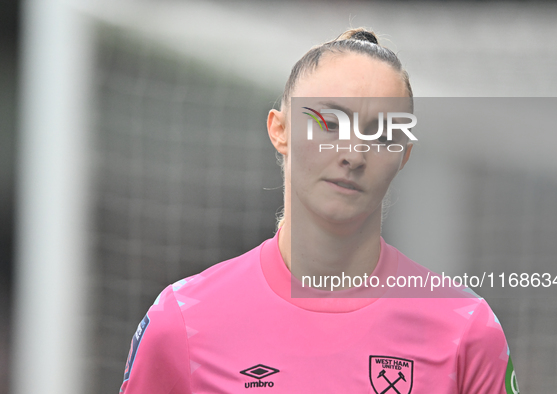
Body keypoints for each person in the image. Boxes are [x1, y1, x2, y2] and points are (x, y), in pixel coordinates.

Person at [119, 28, 519, 394]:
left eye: (381, 134)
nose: (353, 154)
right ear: (280, 130)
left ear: (404, 155)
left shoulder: (465, 329)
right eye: (329, 122)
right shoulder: (183, 323)